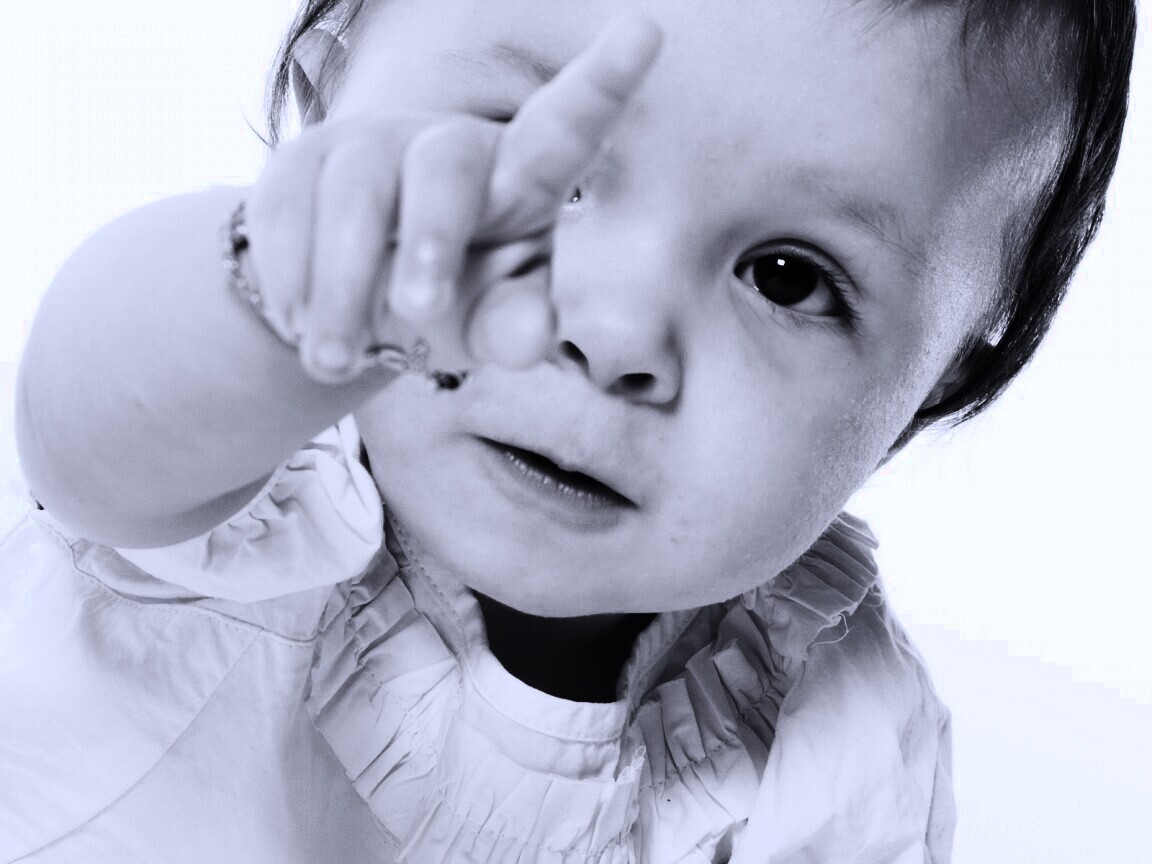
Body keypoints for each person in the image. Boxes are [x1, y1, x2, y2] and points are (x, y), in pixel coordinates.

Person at [0, 0, 1136, 861]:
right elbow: (87, 441)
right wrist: (282, 294)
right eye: (523, 162)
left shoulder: (848, 747)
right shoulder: (239, 469)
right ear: (328, 89)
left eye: (787, 277)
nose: (612, 332)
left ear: (938, 376)